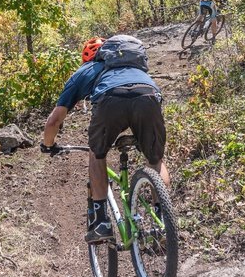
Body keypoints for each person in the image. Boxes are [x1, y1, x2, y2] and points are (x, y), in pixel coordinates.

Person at [40, 35, 169, 243]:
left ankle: (101, 223)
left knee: (97, 154)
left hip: (110, 100)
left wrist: (48, 145)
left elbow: (54, 121)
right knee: (155, 160)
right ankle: (163, 222)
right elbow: (133, 96)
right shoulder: (136, 69)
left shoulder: (86, 71)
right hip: (148, 95)